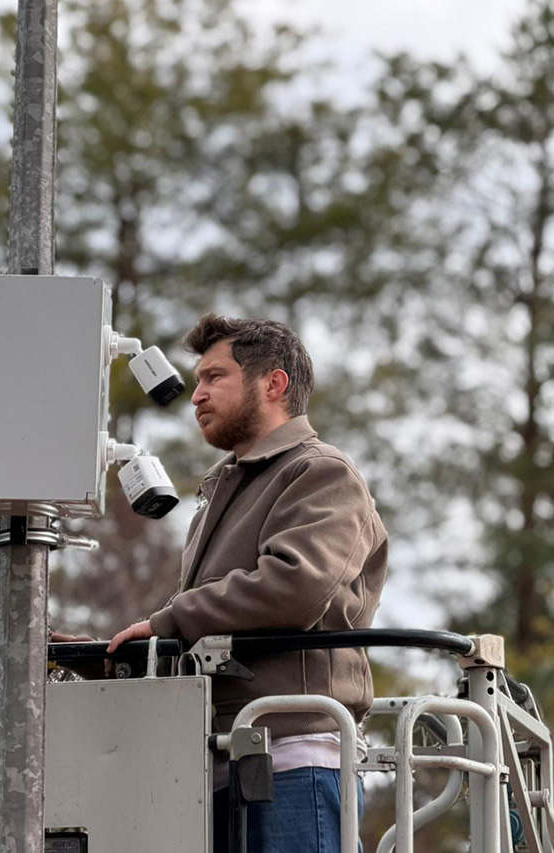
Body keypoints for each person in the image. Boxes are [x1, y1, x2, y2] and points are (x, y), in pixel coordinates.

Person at [107, 314, 387, 853]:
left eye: (215, 378)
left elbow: (294, 585)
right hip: (219, 761)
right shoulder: (227, 486)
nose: (197, 396)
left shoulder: (320, 472)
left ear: (273, 384)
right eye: (198, 381)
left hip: (291, 761)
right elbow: (214, 620)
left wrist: (168, 623)